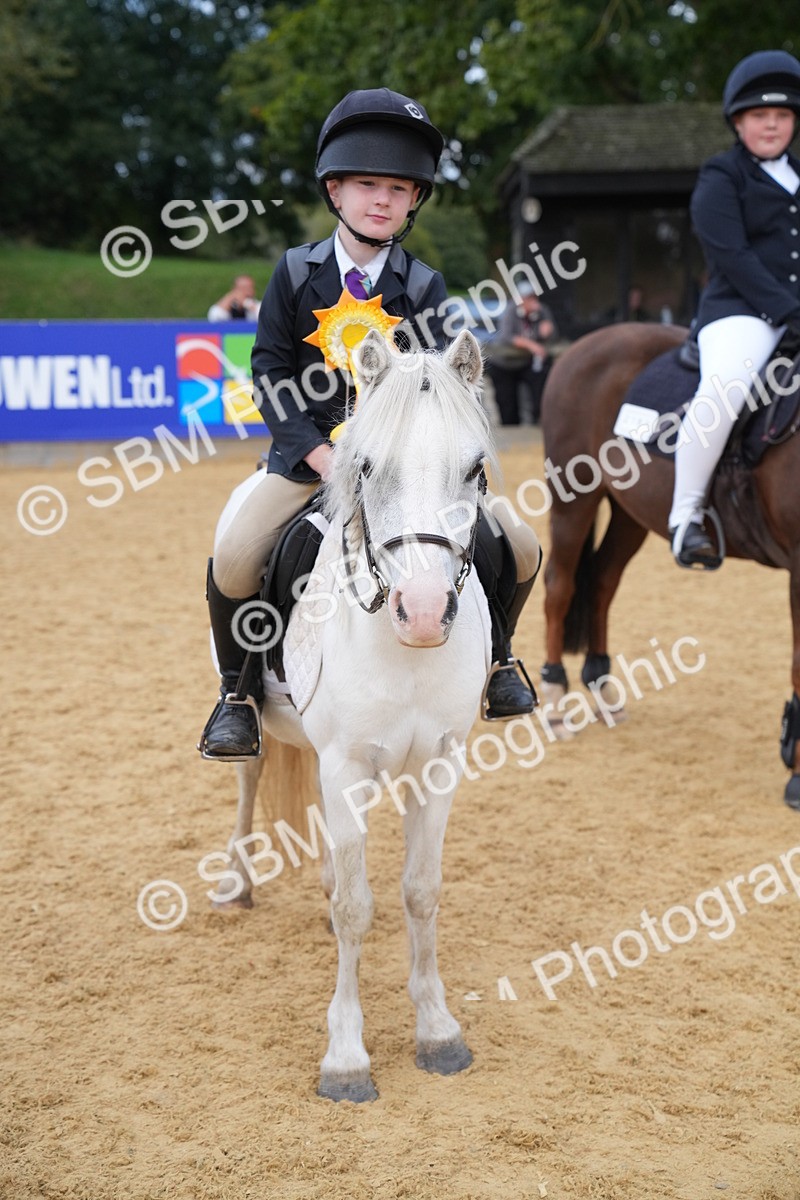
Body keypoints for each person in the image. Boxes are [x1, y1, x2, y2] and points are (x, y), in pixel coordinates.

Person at [199, 88, 542, 759]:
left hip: (407, 468)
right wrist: (315, 452)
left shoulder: (424, 285)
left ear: (414, 201)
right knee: (236, 558)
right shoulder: (294, 272)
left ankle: (500, 660)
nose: (382, 200)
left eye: (398, 189)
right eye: (366, 185)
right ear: (335, 190)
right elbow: (269, 370)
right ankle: (237, 696)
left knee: (521, 546)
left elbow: (440, 385)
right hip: (310, 461)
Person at [669, 50, 800, 567]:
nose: (771, 124)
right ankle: (685, 517)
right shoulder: (721, 175)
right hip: (741, 313)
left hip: (794, 312)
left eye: (782, 114)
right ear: (738, 122)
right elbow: (733, 255)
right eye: (759, 115)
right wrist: (789, 311)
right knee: (724, 392)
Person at [485, 283, 558, 425]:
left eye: (534, 297)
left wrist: (548, 331)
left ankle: (538, 421)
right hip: (504, 364)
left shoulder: (542, 311)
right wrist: (532, 346)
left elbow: (552, 335)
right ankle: (512, 429)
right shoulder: (511, 310)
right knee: (508, 405)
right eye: (528, 298)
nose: (532, 301)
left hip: (526, 362)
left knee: (540, 384)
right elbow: (506, 337)